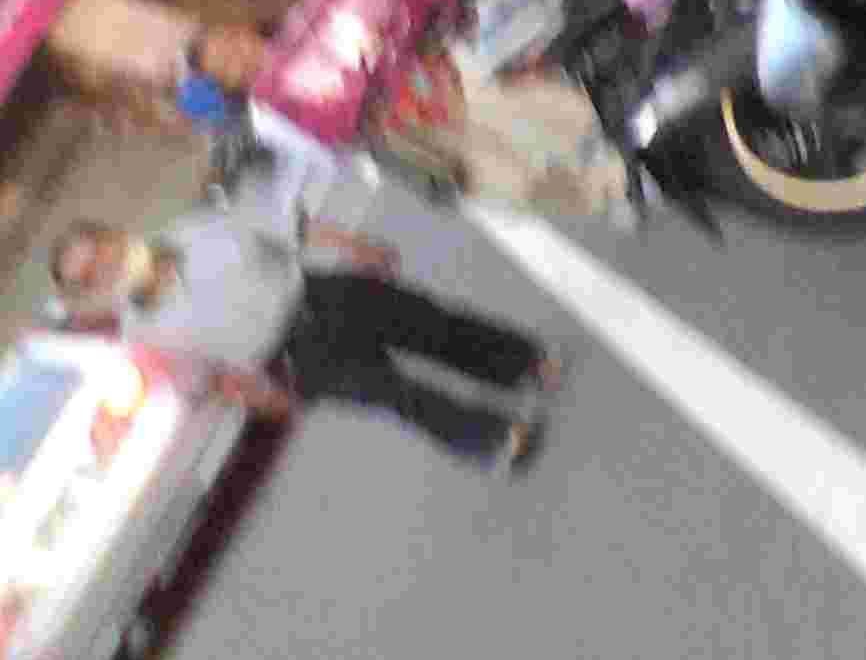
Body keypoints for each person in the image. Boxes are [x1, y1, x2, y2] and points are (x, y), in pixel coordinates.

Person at [46, 183, 557, 470]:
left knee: (430, 326)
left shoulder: (191, 228)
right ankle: (494, 438)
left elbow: (285, 227)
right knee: (397, 395)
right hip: (295, 358)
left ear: (113, 236)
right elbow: (207, 380)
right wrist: (263, 397)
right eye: (90, 276)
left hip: (321, 294)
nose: (105, 267)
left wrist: (353, 244)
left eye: (100, 253)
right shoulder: (142, 336)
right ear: (91, 292)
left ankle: (523, 364)